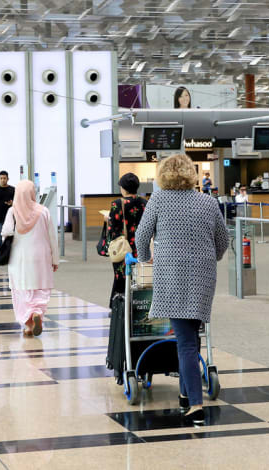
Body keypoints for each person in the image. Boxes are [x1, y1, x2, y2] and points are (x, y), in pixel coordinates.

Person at [135, 153, 229, 426]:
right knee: (191, 337)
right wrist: (211, 258)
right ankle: (186, 395)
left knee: (186, 341)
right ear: (191, 173)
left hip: (171, 276)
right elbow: (223, 241)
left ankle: (196, 405)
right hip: (202, 276)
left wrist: (144, 258)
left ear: (163, 175)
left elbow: (141, 236)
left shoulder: (159, 200)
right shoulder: (208, 202)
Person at [1, 180, 59, 336]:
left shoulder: (12, 211)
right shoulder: (44, 211)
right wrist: (55, 259)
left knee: (22, 290)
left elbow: (6, 234)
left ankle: (28, 323)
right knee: (40, 289)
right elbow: (52, 237)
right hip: (41, 256)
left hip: (19, 257)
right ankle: (37, 313)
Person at [100, 173, 147, 301]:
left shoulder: (117, 204)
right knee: (140, 276)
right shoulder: (144, 203)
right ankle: (137, 305)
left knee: (121, 276)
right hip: (140, 246)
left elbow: (113, 229)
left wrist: (107, 219)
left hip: (123, 248)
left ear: (124, 188)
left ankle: (119, 307)